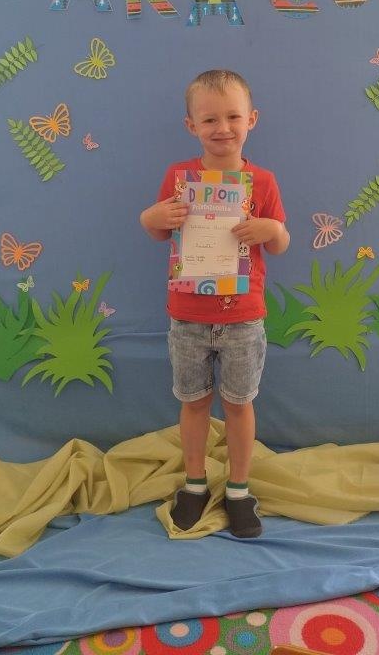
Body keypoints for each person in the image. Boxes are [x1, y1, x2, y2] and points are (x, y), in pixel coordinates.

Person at [140, 69, 289, 538]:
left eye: (233, 117)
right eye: (209, 120)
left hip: (244, 318)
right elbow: (158, 231)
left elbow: (281, 243)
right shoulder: (179, 178)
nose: (222, 128)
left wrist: (271, 230)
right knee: (194, 403)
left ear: (251, 120)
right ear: (192, 126)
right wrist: (151, 216)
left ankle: (239, 490)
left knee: (240, 405)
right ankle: (195, 484)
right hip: (188, 316)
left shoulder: (262, 182)